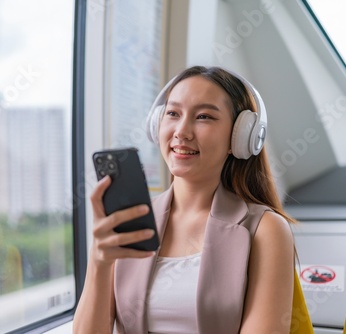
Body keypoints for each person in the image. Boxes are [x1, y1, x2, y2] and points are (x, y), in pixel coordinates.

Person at [73, 65, 310, 333]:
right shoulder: (133, 219)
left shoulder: (265, 230)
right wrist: (99, 261)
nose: (182, 131)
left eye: (204, 117)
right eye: (173, 113)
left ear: (241, 136)